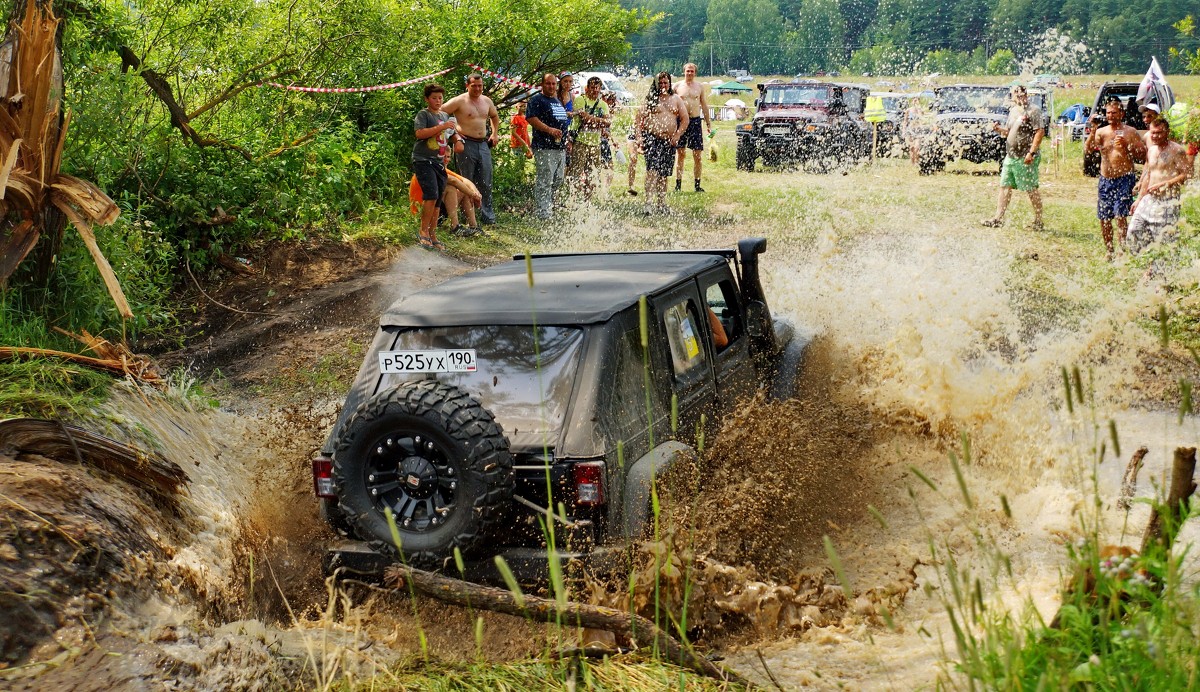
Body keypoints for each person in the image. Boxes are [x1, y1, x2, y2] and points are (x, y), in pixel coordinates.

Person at [1085, 99, 1147, 259]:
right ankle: (1109, 250)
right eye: (1108, 113)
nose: (1111, 116)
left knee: (1120, 215)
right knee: (1104, 217)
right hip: (1106, 180)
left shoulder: (1130, 131)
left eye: (1114, 112)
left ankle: (1122, 250)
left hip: (1124, 178)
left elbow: (1142, 154)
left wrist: (1128, 145)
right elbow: (1088, 149)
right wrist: (1093, 130)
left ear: (1122, 113)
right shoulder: (1101, 132)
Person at [982, 85, 1046, 232]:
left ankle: (1038, 220)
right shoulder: (1013, 111)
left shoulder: (1033, 110)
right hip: (1011, 156)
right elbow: (1010, 132)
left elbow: (1040, 132)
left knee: (1031, 188)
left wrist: (1031, 152)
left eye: (1023, 94)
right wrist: (998, 129)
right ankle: (997, 218)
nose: (1021, 97)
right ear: (1013, 96)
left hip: (1026, 156)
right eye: (1017, 95)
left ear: (1027, 95)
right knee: (1004, 186)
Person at [442, 73, 501, 226]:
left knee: (486, 180)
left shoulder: (486, 101)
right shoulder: (459, 101)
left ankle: (488, 216)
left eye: (480, 85)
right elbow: (440, 113)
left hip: (483, 144)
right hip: (465, 143)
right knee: (465, 180)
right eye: (473, 85)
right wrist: (454, 135)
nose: (477, 88)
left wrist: (495, 134)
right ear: (467, 86)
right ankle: (464, 216)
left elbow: (494, 116)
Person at [1126, 117, 1192, 254]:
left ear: (1167, 132)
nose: (1155, 136)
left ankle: (1156, 269)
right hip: (1149, 199)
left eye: (1159, 133)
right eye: (1152, 133)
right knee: (1134, 230)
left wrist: (1167, 183)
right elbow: (1149, 175)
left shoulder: (1176, 150)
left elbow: (1187, 175)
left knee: (1163, 241)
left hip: (1167, 201)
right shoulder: (1151, 150)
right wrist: (1139, 199)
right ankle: (1143, 259)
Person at [412, 83, 460, 250]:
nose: (438, 101)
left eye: (440, 98)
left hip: (439, 162)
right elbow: (419, 133)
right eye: (434, 98)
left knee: (438, 198)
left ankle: (433, 233)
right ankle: (423, 231)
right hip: (423, 160)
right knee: (431, 194)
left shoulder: (445, 116)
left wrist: (458, 141)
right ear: (427, 99)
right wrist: (441, 127)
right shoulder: (423, 114)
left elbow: (453, 134)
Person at [637, 71, 689, 213]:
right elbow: (638, 119)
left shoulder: (676, 99)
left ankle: (661, 204)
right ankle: (648, 203)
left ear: (669, 83)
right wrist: (639, 138)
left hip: (669, 141)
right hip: (652, 138)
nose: (663, 85)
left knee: (663, 174)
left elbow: (685, 119)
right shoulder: (651, 99)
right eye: (660, 83)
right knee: (652, 171)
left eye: (665, 82)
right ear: (656, 84)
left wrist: (677, 135)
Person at [525, 73, 571, 220]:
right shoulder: (537, 100)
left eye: (553, 84)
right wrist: (549, 130)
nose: (551, 86)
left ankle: (548, 205)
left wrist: (567, 138)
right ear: (542, 85)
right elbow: (531, 119)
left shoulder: (556, 100)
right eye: (548, 84)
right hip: (544, 146)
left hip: (560, 147)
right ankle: (542, 212)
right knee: (545, 179)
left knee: (558, 179)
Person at [567, 76, 611, 199]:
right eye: (592, 87)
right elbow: (584, 118)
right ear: (587, 88)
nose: (595, 90)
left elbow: (608, 122)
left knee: (592, 174)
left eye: (597, 88)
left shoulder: (603, 104)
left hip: (595, 143)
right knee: (576, 172)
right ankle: (573, 198)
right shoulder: (581, 100)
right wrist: (599, 121)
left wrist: (593, 119)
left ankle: (587, 200)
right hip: (580, 142)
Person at [673, 63, 711, 193]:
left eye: (692, 71)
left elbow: (704, 105)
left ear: (695, 73)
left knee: (697, 155)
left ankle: (697, 185)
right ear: (684, 72)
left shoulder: (699, 87)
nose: (690, 73)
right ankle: (678, 185)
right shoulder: (677, 86)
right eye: (688, 71)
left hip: (695, 121)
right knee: (681, 154)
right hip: (681, 121)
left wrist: (708, 123)